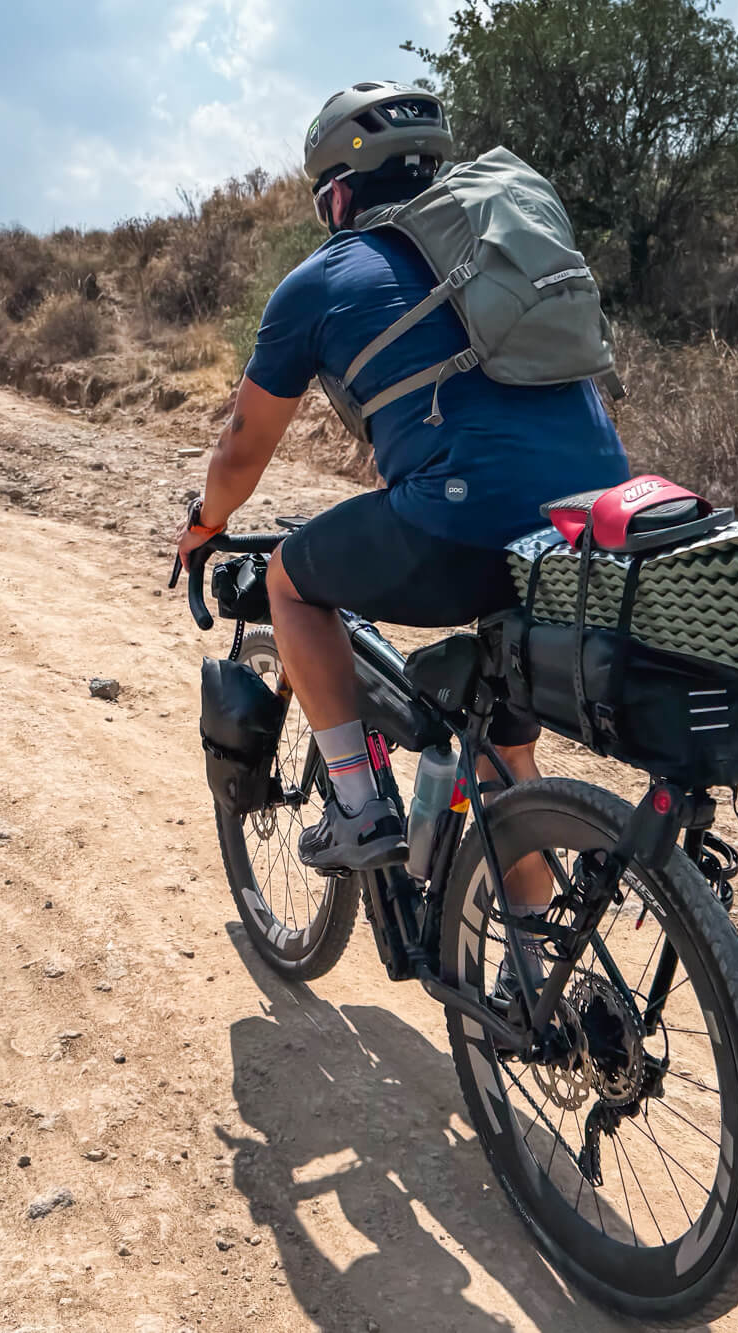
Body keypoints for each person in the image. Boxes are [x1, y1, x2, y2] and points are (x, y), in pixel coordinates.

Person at [174, 82, 629, 915]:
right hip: (590, 525)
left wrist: (206, 524)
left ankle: (357, 803)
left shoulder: (323, 278)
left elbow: (241, 446)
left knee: (289, 578)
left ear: (339, 193)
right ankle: (531, 959)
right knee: (501, 748)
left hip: (464, 524)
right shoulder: (491, 251)